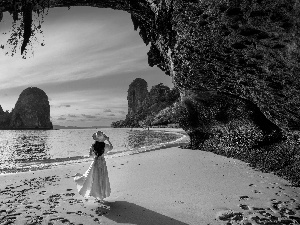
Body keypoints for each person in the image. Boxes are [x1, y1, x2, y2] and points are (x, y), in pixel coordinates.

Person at [74, 131, 113, 201]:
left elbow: (90, 155)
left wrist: (95, 156)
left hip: (95, 162)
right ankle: (100, 195)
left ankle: (95, 194)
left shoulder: (93, 146)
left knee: (93, 177)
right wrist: (108, 140)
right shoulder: (105, 146)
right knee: (102, 178)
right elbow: (111, 147)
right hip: (102, 163)